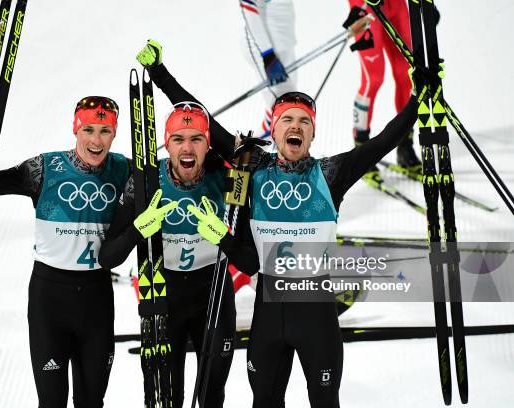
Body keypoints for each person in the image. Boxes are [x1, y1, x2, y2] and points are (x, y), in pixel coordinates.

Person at [134, 38, 428, 407]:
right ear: (272, 131)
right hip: (268, 315)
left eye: (304, 121)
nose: (296, 126)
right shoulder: (252, 166)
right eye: (287, 119)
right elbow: (203, 119)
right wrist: (159, 73)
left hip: (316, 315)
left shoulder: (330, 174)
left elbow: (384, 141)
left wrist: (420, 98)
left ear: (313, 133)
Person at [0, 96, 129, 407]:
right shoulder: (45, 169)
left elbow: (174, 175)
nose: (96, 140)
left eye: (105, 130)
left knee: (92, 402)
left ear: (114, 133)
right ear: (75, 129)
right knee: (51, 402)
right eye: (88, 129)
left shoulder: (123, 170)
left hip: (97, 301)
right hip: (50, 300)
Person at [98, 100, 258, 408]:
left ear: (208, 145)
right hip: (164, 295)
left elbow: (249, 264)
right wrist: (136, 230)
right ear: (166, 144)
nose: (188, 147)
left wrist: (224, 238)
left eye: (197, 138)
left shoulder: (230, 180)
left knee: (212, 396)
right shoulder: (145, 181)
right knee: (168, 399)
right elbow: (108, 258)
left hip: (214, 296)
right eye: (178, 139)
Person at [347, 0, 422, 177]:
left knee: (407, 75)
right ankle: (361, 152)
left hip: (397, 5)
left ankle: (405, 146)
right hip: (366, 7)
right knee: (373, 79)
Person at [240, 0, 297, 140]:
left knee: (287, 102)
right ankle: (257, 152)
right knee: (284, 107)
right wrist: (268, 55)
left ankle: (269, 146)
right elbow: (249, 8)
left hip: (284, 43)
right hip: (265, 48)